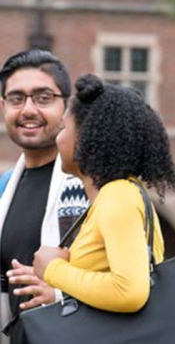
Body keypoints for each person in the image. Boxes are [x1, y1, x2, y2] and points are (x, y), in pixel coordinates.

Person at [32, 74, 175, 315]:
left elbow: (128, 292)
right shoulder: (113, 197)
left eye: (63, 128)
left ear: (85, 137)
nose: (57, 139)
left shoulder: (118, 196)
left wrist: (53, 269)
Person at [0, 50, 88, 344]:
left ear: (66, 106)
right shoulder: (4, 189)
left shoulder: (94, 183)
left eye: (43, 98)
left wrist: (60, 294)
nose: (28, 110)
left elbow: (132, 280)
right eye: (16, 98)